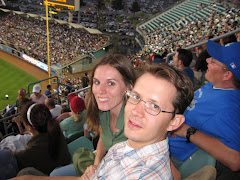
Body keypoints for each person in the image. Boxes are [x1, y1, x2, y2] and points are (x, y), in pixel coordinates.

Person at [10, 63, 194, 180]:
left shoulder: (144, 173)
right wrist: (97, 165)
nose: (136, 111)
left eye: (154, 106)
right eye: (136, 97)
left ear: (174, 122)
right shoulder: (129, 143)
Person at [49, 54, 136, 177]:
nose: (100, 90)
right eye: (97, 82)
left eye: (111, 83)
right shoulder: (104, 111)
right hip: (104, 164)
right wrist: (96, 164)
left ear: (129, 87)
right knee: (55, 174)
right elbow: (103, 139)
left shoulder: (137, 124)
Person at [169, 40, 240, 174]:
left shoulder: (227, 107)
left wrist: (187, 131)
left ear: (227, 75)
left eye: (213, 61)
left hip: (173, 156)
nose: (207, 60)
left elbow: (235, 160)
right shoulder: (215, 85)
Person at [0, 102, 71, 179]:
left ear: (29, 127)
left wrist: (8, 153)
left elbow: (15, 159)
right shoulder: (58, 134)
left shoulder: (27, 155)